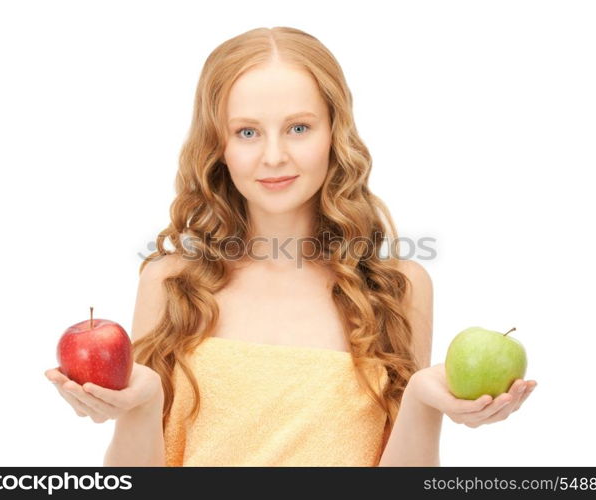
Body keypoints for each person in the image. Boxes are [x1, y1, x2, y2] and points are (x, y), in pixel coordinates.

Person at [44, 26, 537, 467]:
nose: (274, 156)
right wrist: (141, 404)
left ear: (334, 135)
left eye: (299, 128)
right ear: (218, 145)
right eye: (247, 132)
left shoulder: (398, 289)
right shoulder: (170, 282)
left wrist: (424, 403)